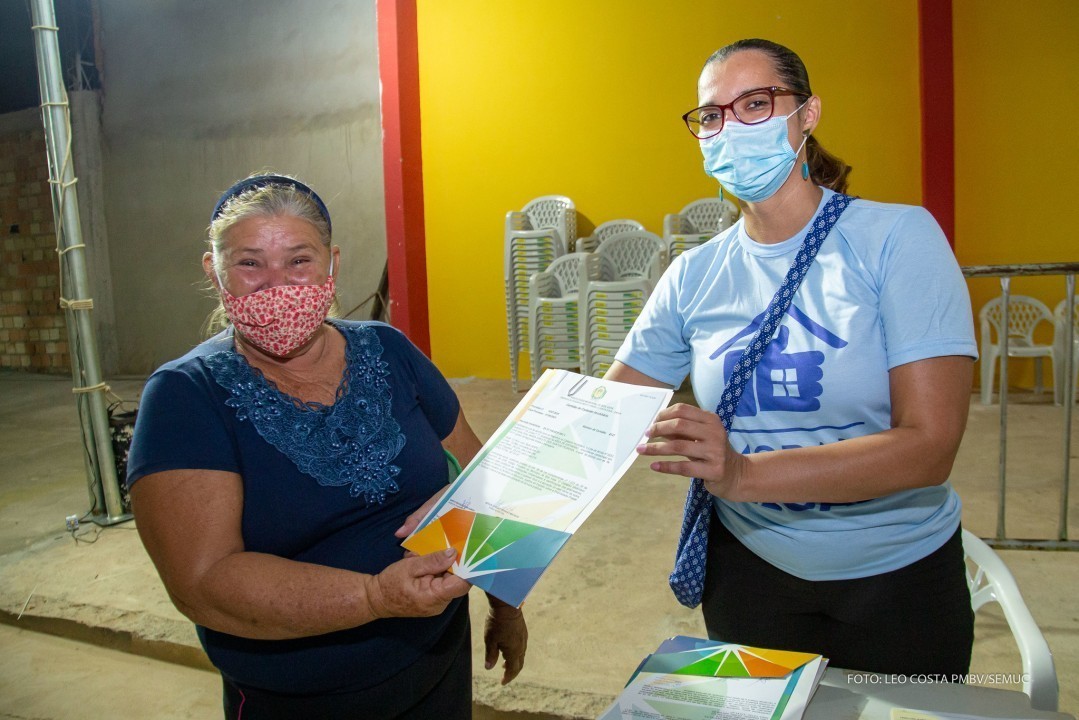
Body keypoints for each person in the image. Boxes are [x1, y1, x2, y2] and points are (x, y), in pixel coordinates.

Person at [607, 39, 976, 677]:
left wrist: (744, 476)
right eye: (712, 116)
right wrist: (478, 510)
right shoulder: (694, 275)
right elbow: (600, 416)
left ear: (807, 115)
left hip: (898, 579)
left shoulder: (895, 239)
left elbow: (930, 446)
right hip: (751, 576)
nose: (730, 128)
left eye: (756, 104)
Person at [127, 173, 527, 719]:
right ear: (214, 272)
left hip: (438, 668)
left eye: (299, 261)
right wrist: (374, 598)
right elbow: (205, 582)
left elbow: (484, 483)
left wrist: (506, 605)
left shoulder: (388, 350)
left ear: (332, 265)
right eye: (249, 263)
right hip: (300, 699)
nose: (277, 286)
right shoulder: (186, 396)